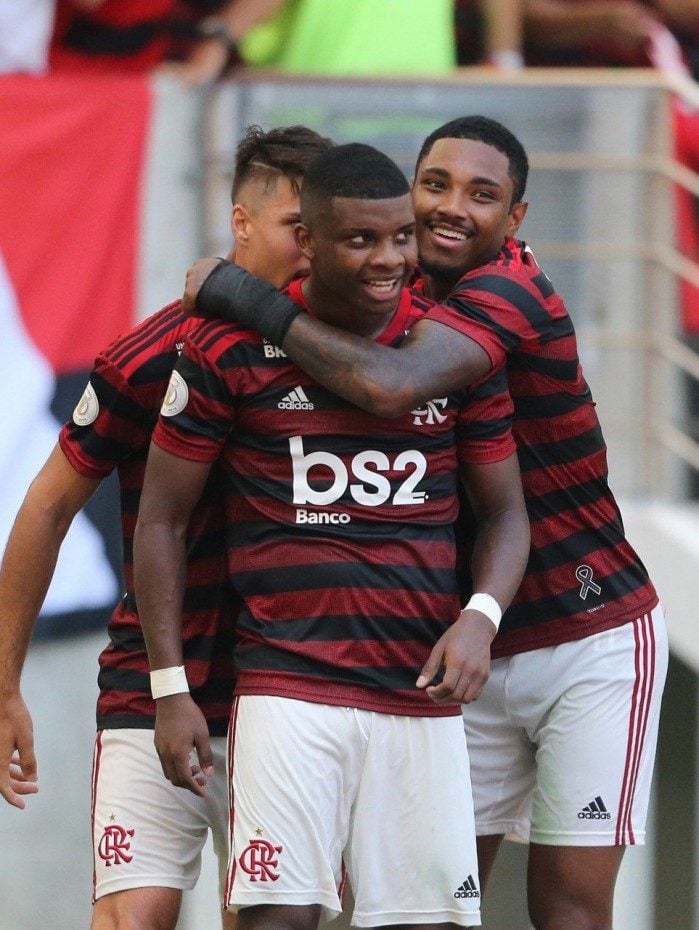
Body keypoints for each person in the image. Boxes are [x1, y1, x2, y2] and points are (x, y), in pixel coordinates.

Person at [184, 116, 668, 930]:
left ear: (514, 221)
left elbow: (392, 385)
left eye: (482, 195)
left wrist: (241, 294)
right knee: (433, 906)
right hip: (454, 650)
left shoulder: (508, 289)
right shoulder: (395, 288)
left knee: (570, 909)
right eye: (434, 184)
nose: (451, 208)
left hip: (585, 634)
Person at [134, 142, 530, 930]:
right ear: (308, 242)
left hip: (418, 696)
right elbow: (160, 520)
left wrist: (479, 618)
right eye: (360, 241)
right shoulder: (226, 349)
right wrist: (169, 687)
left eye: (400, 238)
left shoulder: (447, 351)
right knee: (278, 918)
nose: (389, 259)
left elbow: (507, 515)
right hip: (289, 691)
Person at [0, 123, 334, 930]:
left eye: (326, 231)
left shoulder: (360, 360)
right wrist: (5, 679)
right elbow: (46, 506)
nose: (314, 251)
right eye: (297, 228)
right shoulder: (151, 356)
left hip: (292, 693)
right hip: (154, 687)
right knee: (132, 916)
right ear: (240, 223)